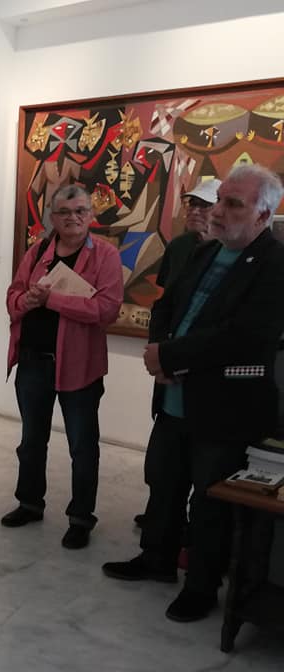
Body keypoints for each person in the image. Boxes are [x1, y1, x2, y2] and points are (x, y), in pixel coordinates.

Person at [103, 163, 284, 622]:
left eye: (232, 204)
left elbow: (246, 336)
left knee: (208, 500)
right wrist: (158, 351)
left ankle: (201, 587)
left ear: (264, 215)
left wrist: (170, 357)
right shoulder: (205, 252)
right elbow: (165, 306)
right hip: (174, 399)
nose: (217, 211)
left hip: (225, 407)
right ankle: (157, 559)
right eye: (219, 200)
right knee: (163, 484)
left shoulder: (275, 264)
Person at [2, 185, 123, 549]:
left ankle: (81, 518)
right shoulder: (38, 251)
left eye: (81, 211)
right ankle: (29, 502)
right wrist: (27, 299)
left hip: (79, 366)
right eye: (65, 212)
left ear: (91, 215)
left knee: (82, 447)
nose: (73, 218)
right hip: (33, 363)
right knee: (31, 441)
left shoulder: (105, 255)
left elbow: (106, 309)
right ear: (52, 218)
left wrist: (51, 300)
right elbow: (12, 297)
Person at [134, 177, 221, 529]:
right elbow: (164, 303)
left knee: (202, 464)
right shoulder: (180, 247)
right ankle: (162, 521)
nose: (196, 210)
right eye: (192, 203)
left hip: (207, 373)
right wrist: (158, 351)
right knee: (162, 459)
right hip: (169, 363)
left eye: (205, 205)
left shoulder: (238, 256)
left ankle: (184, 529)